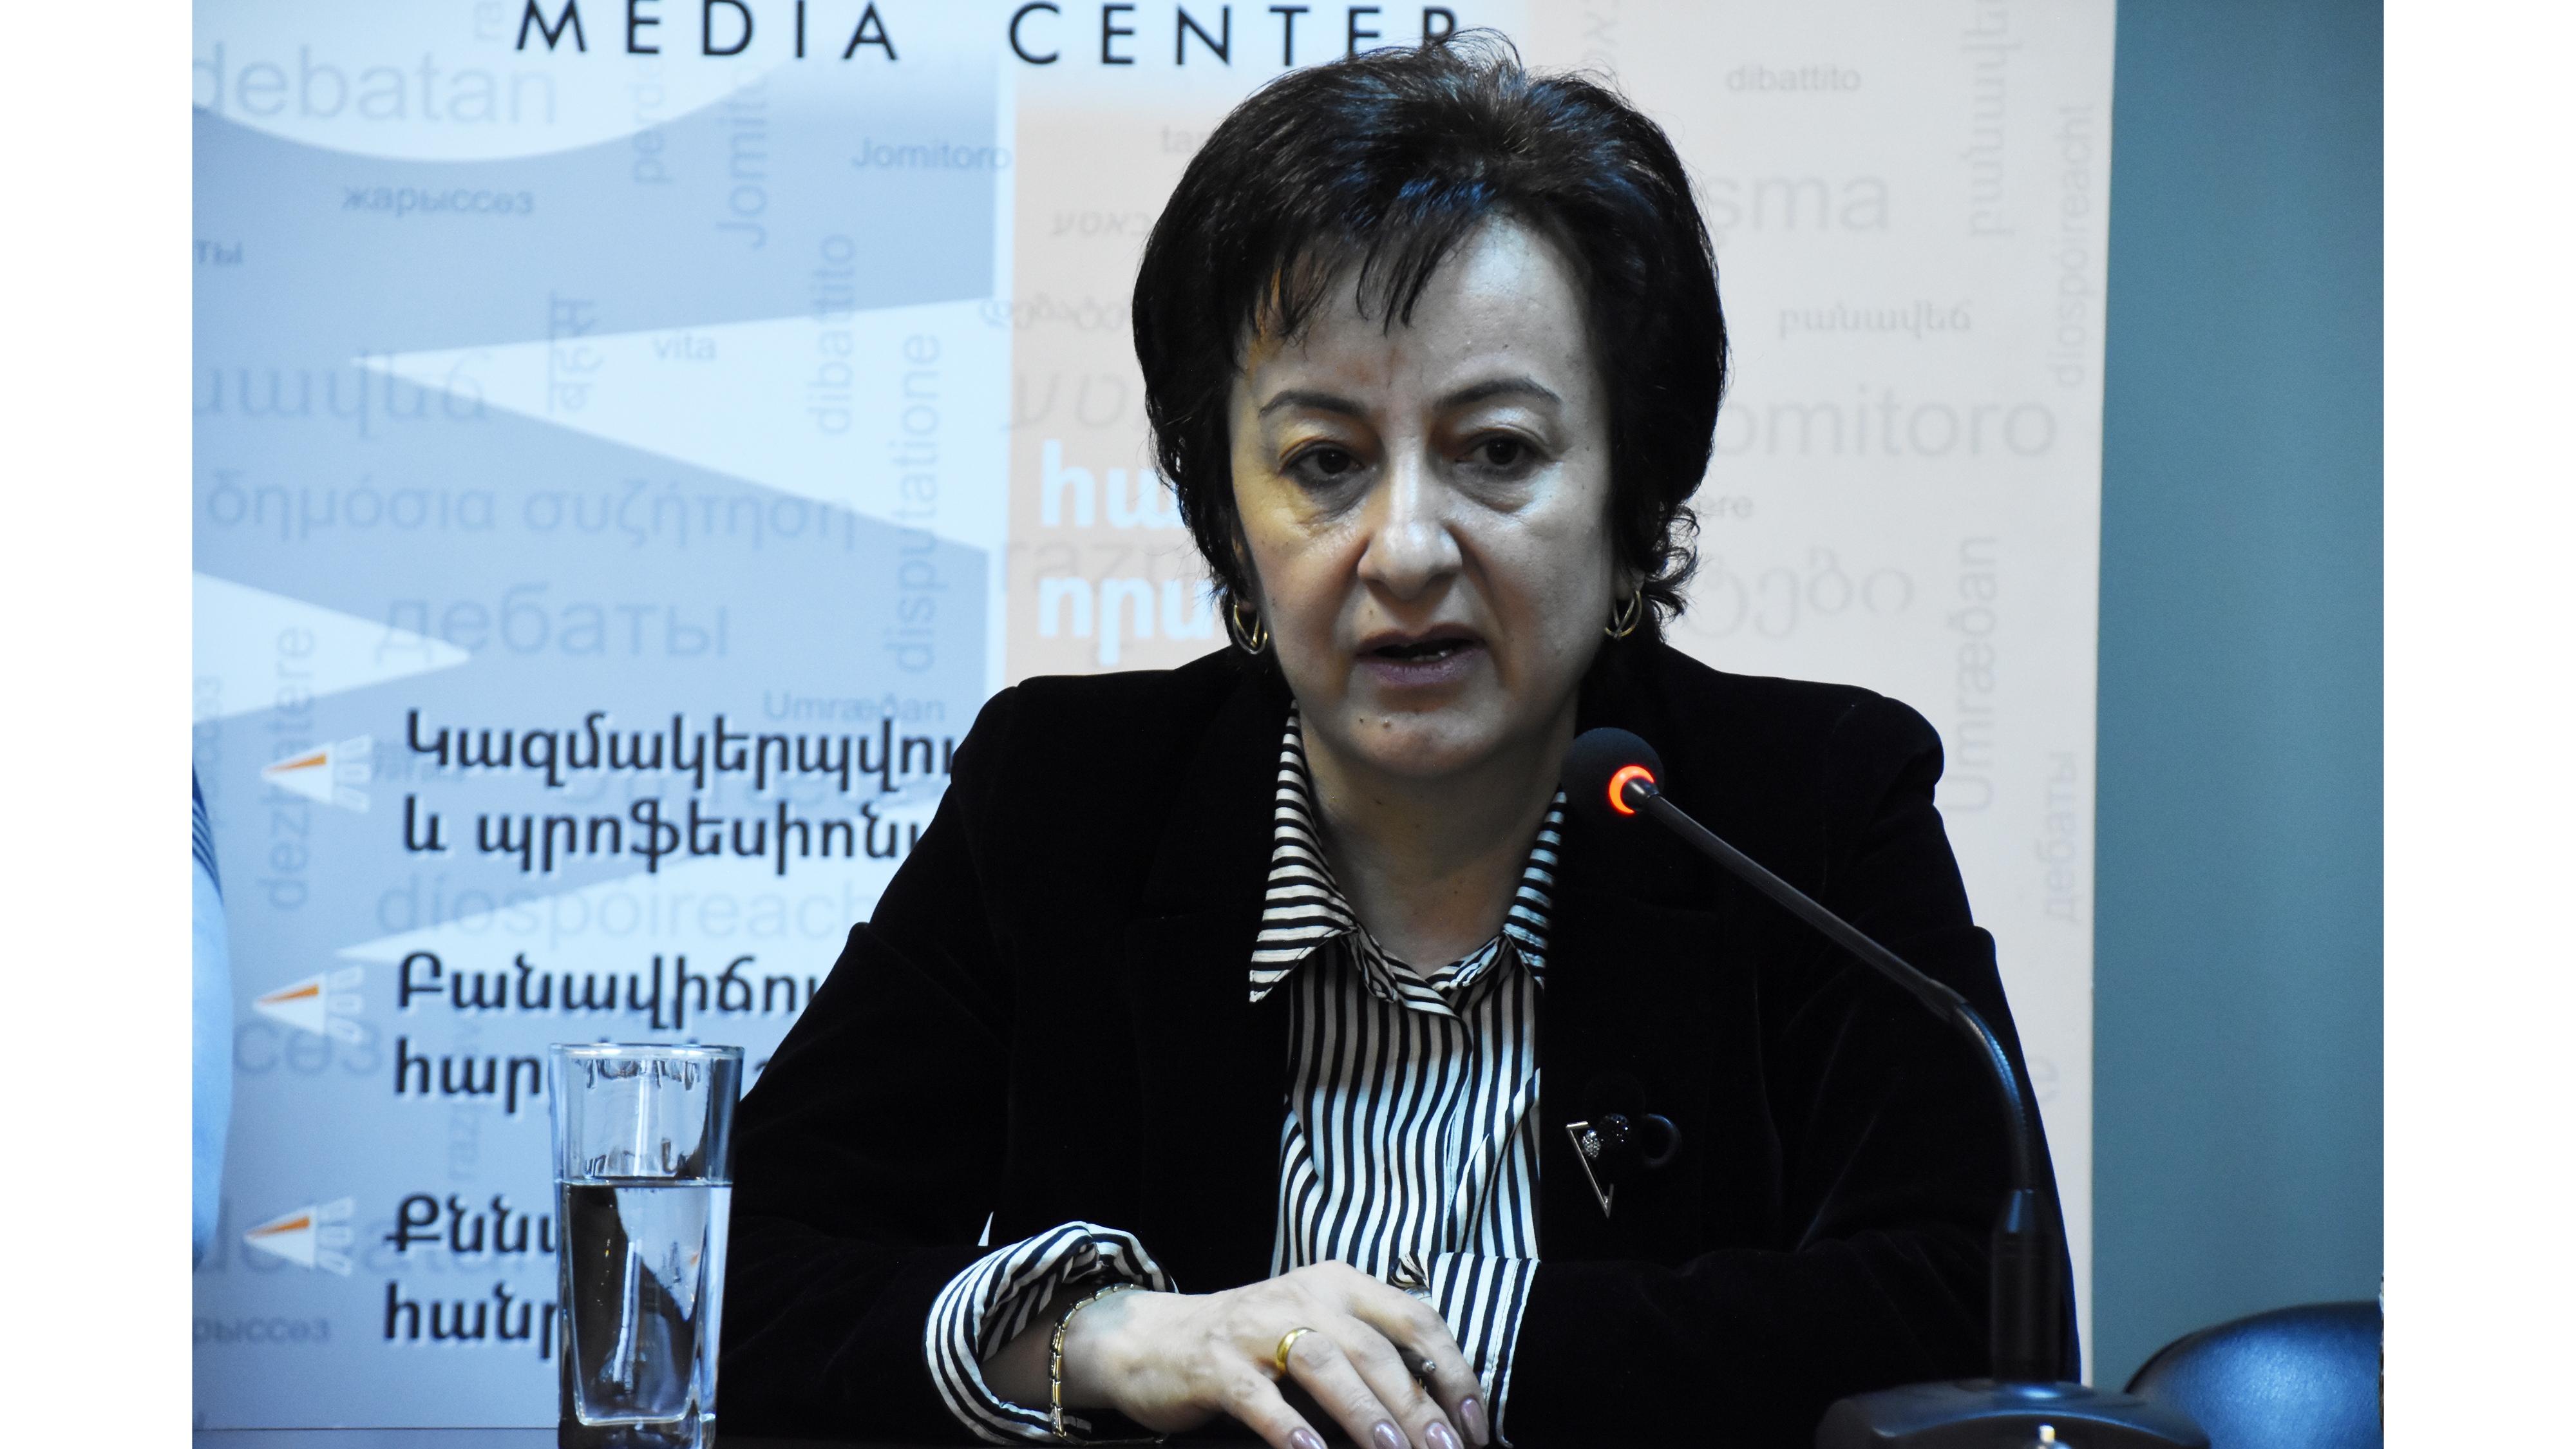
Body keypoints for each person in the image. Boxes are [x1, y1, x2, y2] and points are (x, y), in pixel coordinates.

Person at [722, 35, 2067, 1449]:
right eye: (1325, 462)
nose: (1407, 547)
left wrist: (1409, 1345)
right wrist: (1113, 1337)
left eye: (1497, 451)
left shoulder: (1806, 806)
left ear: (1631, 498)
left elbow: (1974, 1323)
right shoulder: (1064, 800)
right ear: (1227, 520)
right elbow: (732, 1286)